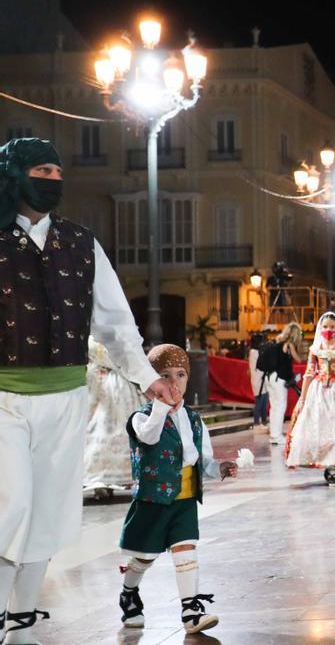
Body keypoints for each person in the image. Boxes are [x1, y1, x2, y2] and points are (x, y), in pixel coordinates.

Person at [0, 137, 179, 644]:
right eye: (41, 170)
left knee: (49, 512)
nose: (52, 180)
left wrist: (150, 379)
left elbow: (117, 327)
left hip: (66, 397)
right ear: (14, 175)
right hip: (3, 398)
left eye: (58, 171)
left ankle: (20, 623)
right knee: (9, 507)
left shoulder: (82, 243)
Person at [117, 345, 236, 635]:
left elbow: (199, 459)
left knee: (186, 551)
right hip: (154, 500)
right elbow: (149, 436)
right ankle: (128, 592)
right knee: (144, 557)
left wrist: (218, 468)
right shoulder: (141, 417)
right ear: (151, 382)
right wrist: (160, 405)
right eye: (164, 375)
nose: (173, 382)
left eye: (180, 374)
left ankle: (190, 611)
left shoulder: (194, 419)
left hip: (184, 500)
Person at [285, 312, 335, 486]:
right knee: (318, 430)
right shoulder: (315, 349)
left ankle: (331, 469)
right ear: (319, 329)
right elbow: (308, 373)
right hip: (318, 392)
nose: (328, 329)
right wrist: (302, 399)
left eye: (332, 326)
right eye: (325, 326)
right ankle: (323, 464)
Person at [83, 339, 144, 498]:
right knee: (95, 432)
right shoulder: (89, 337)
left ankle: (115, 479)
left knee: (116, 432)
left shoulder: (119, 334)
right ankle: (98, 482)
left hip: (118, 388)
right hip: (96, 385)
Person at [256, 322, 303, 445]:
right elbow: (298, 359)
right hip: (279, 379)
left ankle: (274, 435)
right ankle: (276, 436)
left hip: (269, 377)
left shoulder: (277, 341)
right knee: (280, 406)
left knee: (274, 407)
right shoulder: (289, 344)